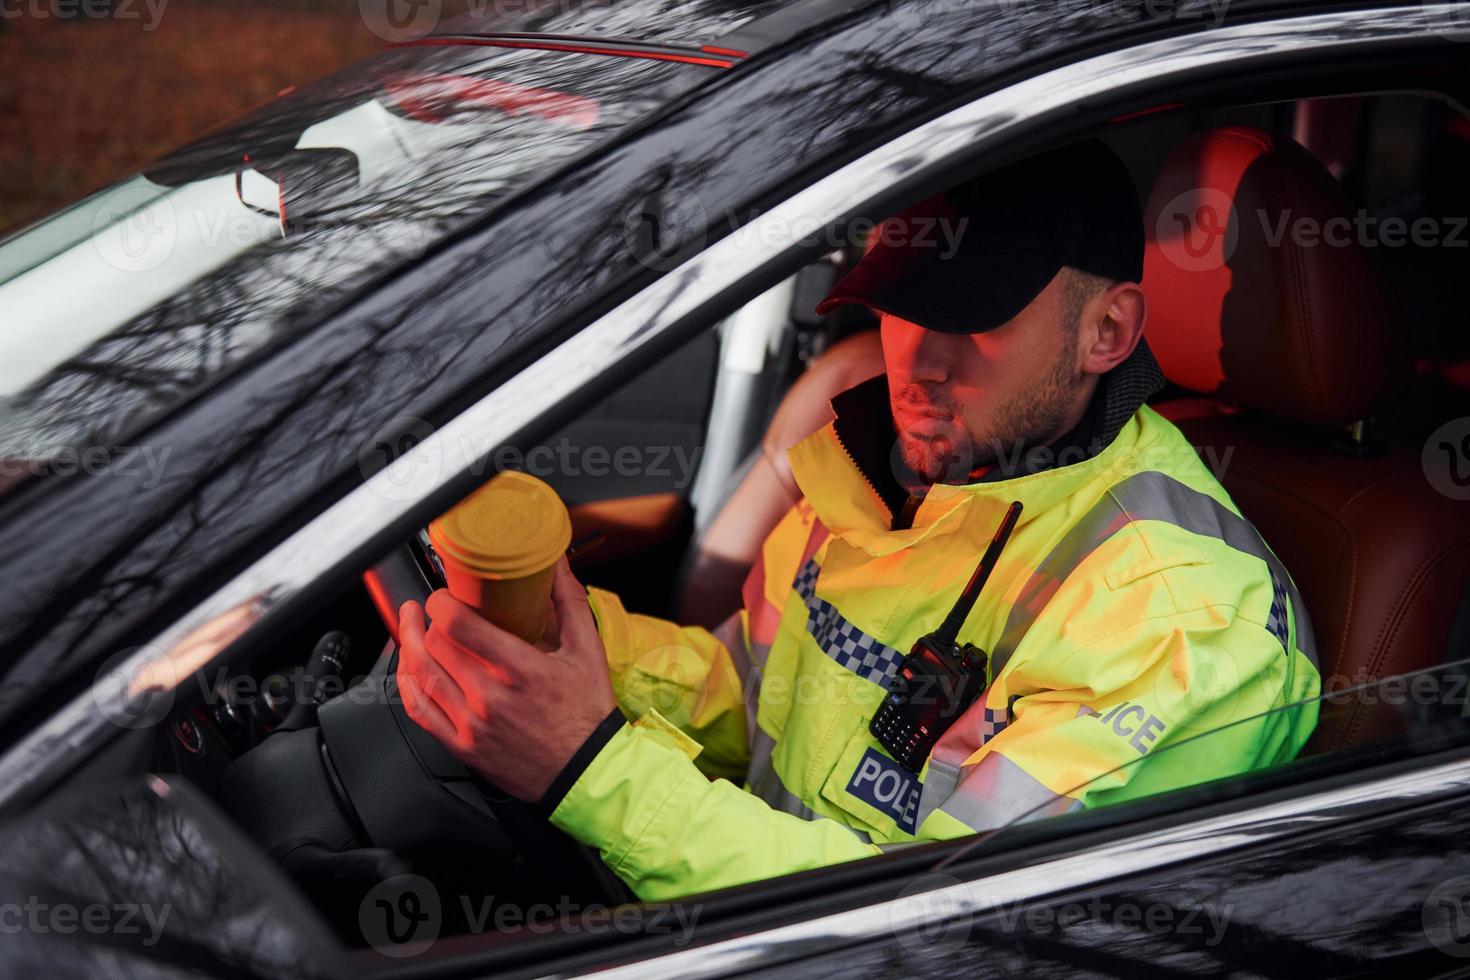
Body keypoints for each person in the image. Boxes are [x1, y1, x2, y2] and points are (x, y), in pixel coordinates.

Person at [395, 140, 1321, 903]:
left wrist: (588, 773)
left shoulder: (1176, 619)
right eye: (901, 307)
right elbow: (747, 699)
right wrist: (556, 636)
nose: (917, 361)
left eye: (974, 318)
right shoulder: (881, 479)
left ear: (1107, 334)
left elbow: (937, 920)